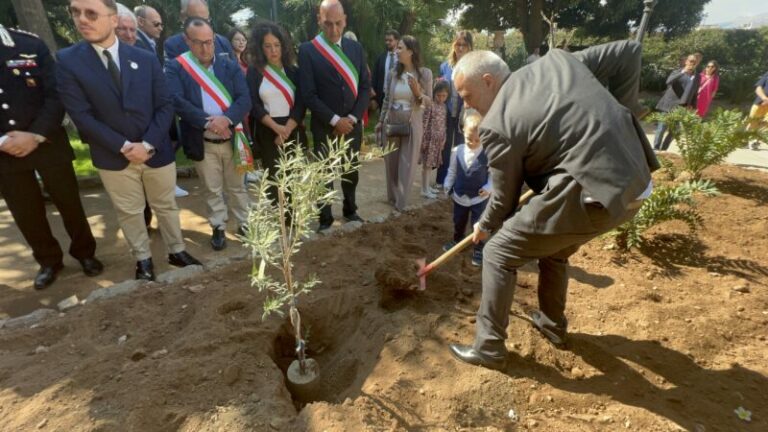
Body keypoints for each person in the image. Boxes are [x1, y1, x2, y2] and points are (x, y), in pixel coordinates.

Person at [446, 42, 658, 371]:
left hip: (593, 192)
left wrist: (485, 226)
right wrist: (623, 110)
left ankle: (488, 347)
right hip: (637, 182)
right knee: (554, 246)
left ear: (488, 81)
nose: (466, 104)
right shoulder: (559, 62)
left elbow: (503, 200)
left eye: (466, 95)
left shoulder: (497, 126)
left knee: (498, 252)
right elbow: (629, 51)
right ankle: (551, 323)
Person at [57, 0, 202, 281]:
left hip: (155, 150)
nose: (82, 20)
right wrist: (123, 147)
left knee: (166, 205)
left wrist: (147, 144)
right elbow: (81, 115)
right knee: (130, 211)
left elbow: (164, 105)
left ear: (112, 19)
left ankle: (177, 250)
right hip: (113, 156)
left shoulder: (145, 58)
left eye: (91, 13)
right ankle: (143, 260)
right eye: (75, 13)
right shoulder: (68, 61)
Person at [0, 24, 103, 290]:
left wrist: (34, 136)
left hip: (47, 142)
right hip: (6, 151)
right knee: (26, 212)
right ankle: (48, 261)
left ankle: (85, 253)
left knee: (69, 203)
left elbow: (55, 95)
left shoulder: (28, 45)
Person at [166, 18, 252, 251]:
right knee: (212, 188)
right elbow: (176, 101)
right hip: (202, 140)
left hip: (233, 137)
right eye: (198, 43)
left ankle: (244, 223)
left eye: (209, 42)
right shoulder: (177, 67)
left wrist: (226, 119)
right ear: (187, 41)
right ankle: (218, 226)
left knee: (237, 186)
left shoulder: (230, 65)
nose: (205, 48)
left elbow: (244, 98)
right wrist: (209, 123)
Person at [298, 0, 371, 231]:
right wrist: (334, 120)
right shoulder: (308, 50)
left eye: (338, 24)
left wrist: (352, 118)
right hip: (324, 125)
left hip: (352, 124)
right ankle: (325, 219)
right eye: (328, 24)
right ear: (319, 20)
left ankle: (350, 211)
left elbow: (365, 88)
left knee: (350, 170)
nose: (334, 30)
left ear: (345, 20)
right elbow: (308, 94)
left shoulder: (356, 49)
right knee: (325, 173)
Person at [246, 21, 306, 204]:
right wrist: (276, 128)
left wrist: (286, 130)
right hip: (268, 131)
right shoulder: (255, 72)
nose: (273, 51)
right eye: (268, 46)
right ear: (260, 48)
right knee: (275, 179)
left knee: (294, 178)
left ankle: (295, 222)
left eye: (277, 45)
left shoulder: (294, 72)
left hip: (293, 129)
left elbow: (302, 103)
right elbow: (253, 105)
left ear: (283, 46)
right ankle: (281, 224)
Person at [376, 35, 432, 211]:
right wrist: (380, 121)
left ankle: (401, 203)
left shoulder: (425, 74)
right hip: (392, 120)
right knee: (391, 163)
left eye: (400, 48)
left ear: (411, 51)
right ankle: (392, 198)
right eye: (397, 48)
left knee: (407, 164)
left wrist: (418, 92)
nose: (396, 51)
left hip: (412, 122)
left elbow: (428, 102)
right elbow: (386, 99)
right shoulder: (393, 73)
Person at [442, 110, 491, 267]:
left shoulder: (487, 153)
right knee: (459, 220)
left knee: (479, 223)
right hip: (460, 195)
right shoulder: (457, 151)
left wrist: (489, 187)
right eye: (469, 139)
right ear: (463, 132)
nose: (473, 143)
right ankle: (457, 240)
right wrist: (447, 184)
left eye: (477, 140)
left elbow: (493, 175)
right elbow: (452, 170)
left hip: (479, 197)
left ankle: (479, 249)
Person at [435, 31, 473, 190]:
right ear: (453, 45)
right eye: (458, 44)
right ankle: (441, 179)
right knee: (444, 145)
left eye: (464, 45)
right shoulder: (445, 66)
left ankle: (458, 180)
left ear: (470, 46)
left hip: (464, 113)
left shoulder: (474, 66)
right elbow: (439, 89)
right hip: (447, 112)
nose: (461, 48)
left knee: (461, 147)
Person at [163, 0, 234, 67]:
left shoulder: (223, 42)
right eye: (197, 20)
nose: (203, 25)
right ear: (183, 18)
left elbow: (235, 74)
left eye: (206, 20)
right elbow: (171, 77)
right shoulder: (173, 45)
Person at [653, 54, 699, 151]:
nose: (692, 63)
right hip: (669, 105)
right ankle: (656, 149)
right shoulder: (678, 71)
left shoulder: (697, 76)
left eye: (695, 62)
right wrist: (683, 72)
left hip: (681, 108)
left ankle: (664, 150)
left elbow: (695, 92)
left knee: (674, 132)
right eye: (691, 61)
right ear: (686, 61)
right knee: (662, 128)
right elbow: (668, 81)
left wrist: (693, 105)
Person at [419, 80, 449, 198]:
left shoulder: (444, 107)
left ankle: (427, 187)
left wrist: (444, 139)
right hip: (429, 140)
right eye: (439, 95)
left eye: (444, 96)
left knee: (431, 165)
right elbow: (424, 123)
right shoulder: (430, 105)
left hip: (438, 140)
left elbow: (444, 124)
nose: (441, 98)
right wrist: (422, 140)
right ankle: (424, 189)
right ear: (434, 93)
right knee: (427, 165)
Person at [371, 29, 400, 111]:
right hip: (382, 95)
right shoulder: (381, 58)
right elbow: (375, 76)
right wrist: (373, 96)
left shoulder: (401, 58)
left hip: (396, 96)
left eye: (390, 40)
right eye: (386, 40)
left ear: (397, 41)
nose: (387, 42)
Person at [746, 70, 768, 150]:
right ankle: (746, 140)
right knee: (753, 122)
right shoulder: (767, 74)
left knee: (766, 123)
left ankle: (755, 141)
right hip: (759, 103)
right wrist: (764, 98)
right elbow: (758, 88)